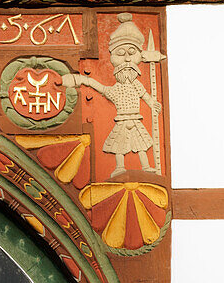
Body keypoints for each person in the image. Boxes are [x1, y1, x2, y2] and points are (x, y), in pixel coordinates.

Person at [61, 13, 165, 176]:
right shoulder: (115, 90)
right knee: (119, 145)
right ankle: (119, 168)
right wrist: (81, 79)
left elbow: (145, 95)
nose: (127, 59)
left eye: (131, 53)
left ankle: (145, 167)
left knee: (141, 144)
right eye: (121, 53)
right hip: (122, 120)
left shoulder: (136, 84)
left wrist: (152, 103)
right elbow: (99, 86)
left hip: (135, 118)